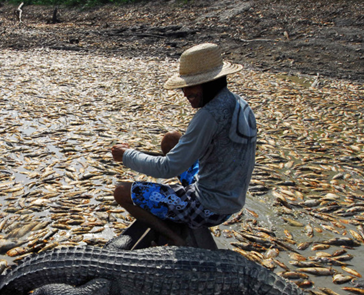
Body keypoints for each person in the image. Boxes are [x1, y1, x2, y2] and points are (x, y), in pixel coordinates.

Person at [110, 43, 257, 246]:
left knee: (121, 191)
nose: (185, 93)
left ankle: (176, 238)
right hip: (231, 198)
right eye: (184, 86)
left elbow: (168, 168)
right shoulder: (238, 103)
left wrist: (127, 156)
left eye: (191, 85)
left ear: (210, 82)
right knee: (171, 139)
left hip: (209, 207)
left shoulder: (209, 115)